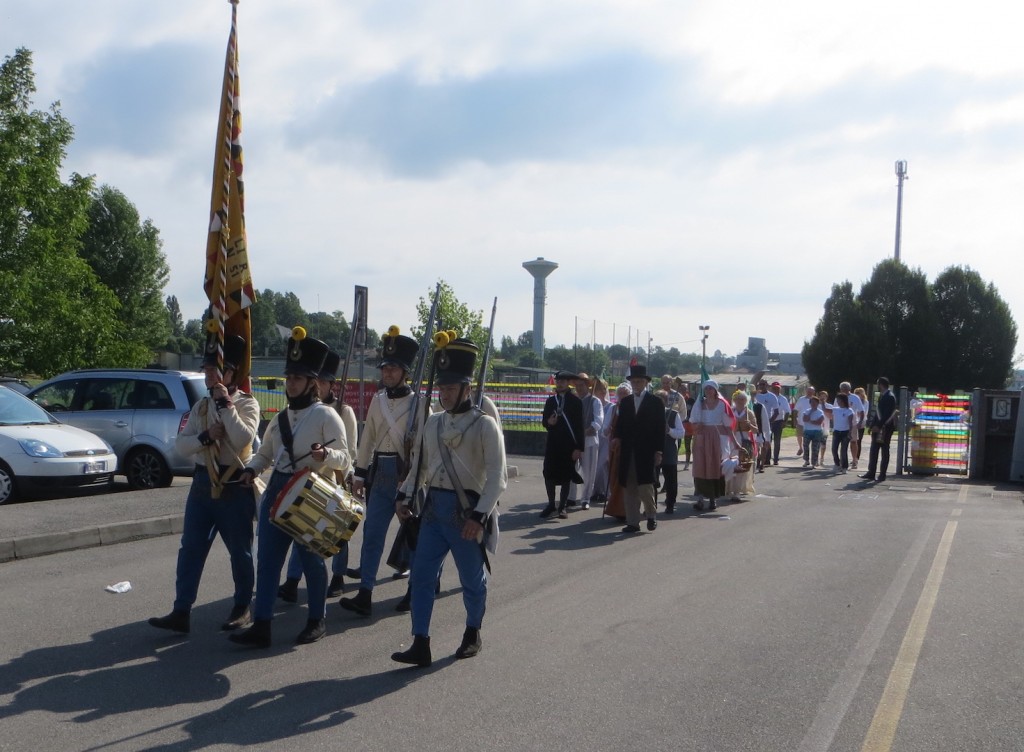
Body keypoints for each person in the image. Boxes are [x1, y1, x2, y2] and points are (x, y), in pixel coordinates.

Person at [391, 337, 507, 667]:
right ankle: (420, 641)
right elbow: (420, 467)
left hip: (466, 512)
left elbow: (498, 478)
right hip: (432, 513)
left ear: (467, 388)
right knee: (422, 577)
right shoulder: (433, 423)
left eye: (452, 387)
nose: (445, 393)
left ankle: (473, 632)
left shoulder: (485, 425)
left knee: (472, 579)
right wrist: (405, 495)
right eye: (442, 387)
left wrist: (479, 517)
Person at [230, 328, 350, 648]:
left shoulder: (326, 415)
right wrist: (252, 469)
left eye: (297, 378)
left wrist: (326, 455)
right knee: (268, 559)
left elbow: (345, 459)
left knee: (311, 560)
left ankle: (317, 619)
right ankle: (263, 625)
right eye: (289, 377)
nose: (291, 383)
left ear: (312, 382)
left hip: (309, 491)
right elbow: (266, 453)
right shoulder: (281, 417)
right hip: (277, 491)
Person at [148, 334, 260, 635]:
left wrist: (225, 403)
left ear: (230, 373)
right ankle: (181, 610)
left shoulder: (247, 405)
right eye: (207, 369)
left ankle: (242, 607)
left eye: (215, 370)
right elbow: (181, 447)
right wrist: (206, 436)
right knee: (191, 549)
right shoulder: (200, 407)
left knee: (241, 551)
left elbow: (242, 438)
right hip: (201, 484)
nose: (209, 375)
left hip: (234, 484)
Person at [339, 327, 420, 618]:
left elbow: (423, 447)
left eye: (393, 367)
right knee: (372, 533)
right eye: (385, 366)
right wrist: (360, 474)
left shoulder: (418, 404)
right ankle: (365, 592)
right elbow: (368, 438)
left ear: (404, 372)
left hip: (406, 473)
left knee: (413, 535)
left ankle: (417, 589)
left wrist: (411, 479)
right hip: (380, 471)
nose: (387, 371)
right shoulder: (378, 400)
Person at [278, 350, 360, 603]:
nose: (319, 386)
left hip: (334, 478)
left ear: (330, 385)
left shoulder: (343, 412)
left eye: (324, 382)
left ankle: (337, 576)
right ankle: (292, 580)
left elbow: (350, 451)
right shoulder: (304, 409)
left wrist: (344, 476)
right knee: (299, 529)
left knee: (338, 532)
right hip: (307, 480)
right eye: (317, 381)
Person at [612, 363, 666, 533]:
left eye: (639, 381)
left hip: (647, 450)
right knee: (629, 486)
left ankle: (651, 515)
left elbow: (660, 428)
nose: (636, 384)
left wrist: (658, 451)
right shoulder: (626, 402)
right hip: (628, 450)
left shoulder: (655, 402)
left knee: (645, 486)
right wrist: (617, 438)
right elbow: (620, 425)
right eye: (633, 382)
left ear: (645, 383)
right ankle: (633, 522)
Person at [539, 371, 584, 520]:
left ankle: (562, 506)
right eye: (558, 381)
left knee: (566, 476)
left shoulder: (576, 402)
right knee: (549, 473)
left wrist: (579, 448)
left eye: (563, 381)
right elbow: (545, 422)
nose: (560, 383)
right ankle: (551, 503)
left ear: (568, 383)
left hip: (569, 444)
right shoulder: (550, 402)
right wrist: (548, 423)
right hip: (553, 443)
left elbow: (579, 426)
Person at [689, 380, 738, 511]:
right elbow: (693, 422)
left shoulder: (722, 405)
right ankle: (699, 498)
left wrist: (735, 442)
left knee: (714, 467)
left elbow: (728, 426)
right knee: (700, 466)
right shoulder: (699, 404)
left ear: (716, 390)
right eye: (706, 389)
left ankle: (712, 499)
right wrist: (697, 426)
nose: (709, 391)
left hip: (717, 438)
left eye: (711, 388)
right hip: (702, 437)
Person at [574, 373, 604, 510]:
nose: (579, 388)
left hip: (589, 441)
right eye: (577, 385)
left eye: (582, 385)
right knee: (572, 470)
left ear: (587, 386)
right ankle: (570, 497)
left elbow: (598, 421)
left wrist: (588, 430)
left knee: (588, 472)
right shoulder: (573, 401)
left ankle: (586, 498)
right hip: (573, 442)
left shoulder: (595, 401)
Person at [601, 382, 630, 520]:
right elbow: (604, 429)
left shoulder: (633, 408)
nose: (623, 396)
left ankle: (625, 509)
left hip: (628, 447)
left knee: (626, 477)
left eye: (625, 393)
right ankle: (616, 507)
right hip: (614, 447)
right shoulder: (613, 409)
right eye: (621, 393)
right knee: (614, 475)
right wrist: (606, 431)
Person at [861, 377, 898, 482]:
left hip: (885, 427)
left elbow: (887, 414)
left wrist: (879, 426)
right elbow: (877, 413)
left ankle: (882, 474)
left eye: (878, 384)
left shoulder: (890, 397)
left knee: (884, 450)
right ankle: (871, 472)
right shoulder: (883, 396)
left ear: (881, 384)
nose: (878, 386)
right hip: (878, 426)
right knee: (874, 450)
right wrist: (872, 426)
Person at [655, 389, 685, 513]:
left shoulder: (673, 414)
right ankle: (652, 505)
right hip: (654, 452)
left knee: (671, 480)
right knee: (652, 480)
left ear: (666, 402)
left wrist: (670, 431)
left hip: (669, 451)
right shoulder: (649, 414)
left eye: (661, 401)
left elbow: (681, 433)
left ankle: (670, 504)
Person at [727, 389, 758, 501]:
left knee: (743, 465)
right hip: (732, 439)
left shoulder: (749, 413)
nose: (741, 401)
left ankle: (738, 491)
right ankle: (730, 489)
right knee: (732, 464)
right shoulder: (730, 411)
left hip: (745, 440)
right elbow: (726, 426)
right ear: (734, 400)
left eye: (743, 399)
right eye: (738, 399)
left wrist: (750, 425)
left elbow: (756, 430)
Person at [591, 377, 612, 503]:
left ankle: (605, 491)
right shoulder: (592, 404)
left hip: (606, 440)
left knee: (603, 466)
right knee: (594, 466)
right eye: (599, 389)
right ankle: (595, 491)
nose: (602, 392)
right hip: (594, 437)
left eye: (604, 389)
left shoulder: (611, 406)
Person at [824, 392, 856, 472]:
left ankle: (844, 467)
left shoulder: (849, 410)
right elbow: (825, 410)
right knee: (834, 449)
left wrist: (850, 432)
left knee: (843, 450)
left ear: (843, 400)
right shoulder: (835, 409)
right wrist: (822, 402)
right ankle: (837, 464)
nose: (837, 401)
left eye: (838, 400)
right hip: (836, 432)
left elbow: (850, 423)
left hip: (845, 432)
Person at [753, 379, 779, 471]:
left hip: (766, 421)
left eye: (763, 384)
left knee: (766, 442)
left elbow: (776, 411)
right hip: (755, 422)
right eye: (760, 384)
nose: (761, 386)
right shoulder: (755, 396)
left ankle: (764, 462)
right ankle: (757, 459)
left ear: (766, 385)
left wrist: (769, 421)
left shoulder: (772, 396)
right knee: (756, 442)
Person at [769, 382, 791, 465]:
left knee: (777, 441)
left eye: (777, 388)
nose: (776, 390)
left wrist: (784, 422)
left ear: (780, 389)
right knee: (768, 440)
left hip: (778, 422)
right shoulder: (769, 397)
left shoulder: (783, 399)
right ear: (771, 388)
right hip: (769, 421)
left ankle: (775, 459)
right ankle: (767, 458)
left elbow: (787, 411)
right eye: (774, 388)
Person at [801, 396, 826, 467]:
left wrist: (810, 421)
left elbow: (819, 422)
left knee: (815, 447)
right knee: (805, 446)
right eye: (812, 402)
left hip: (817, 432)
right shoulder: (807, 411)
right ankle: (806, 460)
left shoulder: (820, 412)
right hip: (807, 431)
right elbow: (805, 419)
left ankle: (814, 462)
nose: (813, 404)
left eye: (815, 402)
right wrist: (810, 413)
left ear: (818, 403)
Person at [793, 386, 816, 458]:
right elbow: (796, 410)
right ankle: (800, 448)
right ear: (806, 391)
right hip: (801, 421)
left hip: (811, 423)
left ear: (813, 392)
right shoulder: (801, 399)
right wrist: (794, 420)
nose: (809, 392)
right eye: (808, 391)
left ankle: (808, 451)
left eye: (811, 391)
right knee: (799, 435)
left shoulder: (815, 400)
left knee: (809, 438)